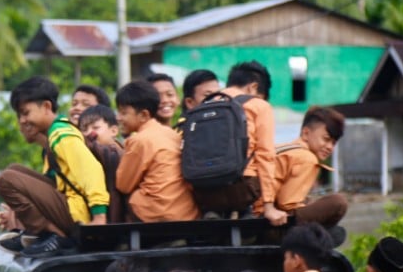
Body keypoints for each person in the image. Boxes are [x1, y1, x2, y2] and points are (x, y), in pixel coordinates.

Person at [0, 76, 109, 259]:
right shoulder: (53, 136)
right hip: (69, 208)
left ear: (47, 107)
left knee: (6, 179)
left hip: (78, 214)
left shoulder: (62, 134)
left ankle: (54, 235)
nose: (22, 120)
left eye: (26, 113)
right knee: (14, 170)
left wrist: (99, 217)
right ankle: (40, 233)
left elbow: (91, 171)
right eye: (19, 116)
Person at [193, 61, 286, 226]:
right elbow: (265, 155)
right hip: (242, 189)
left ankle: (215, 211)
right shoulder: (259, 106)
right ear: (253, 87)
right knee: (264, 165)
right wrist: (269, 206)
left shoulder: (205, 105)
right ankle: (246, 212)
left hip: (203, 190)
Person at [114, 80, 199, 222]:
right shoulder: (172, 134)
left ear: (143, 115)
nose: (118, 118)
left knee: (126, 195)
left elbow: (123, 185)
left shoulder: (139, 140)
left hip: (158, 213)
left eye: (124, 113)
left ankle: (121, 241)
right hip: (187, 212)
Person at [273, 106, 349, 242]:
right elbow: (287, 204)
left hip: (256, 218)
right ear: (306, 133)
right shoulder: (307, 158)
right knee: (338, 203)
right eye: (326, 139)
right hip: (271, 226)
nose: (330, 147)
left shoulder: (283, 148)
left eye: (333, 142)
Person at [78, 104, 127, 223]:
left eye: (95, 127)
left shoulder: (115, 152)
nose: (89, 133)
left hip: (116, 220)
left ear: (114, 131)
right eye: (84, 129)